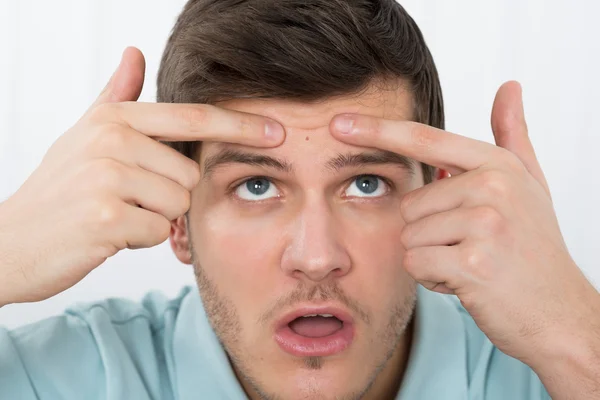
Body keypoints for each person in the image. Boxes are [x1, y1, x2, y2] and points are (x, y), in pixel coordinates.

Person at [0, 0, 598, 399]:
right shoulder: (50, 378)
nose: (316, 257)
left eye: (367, 184)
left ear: (439, 198)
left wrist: (575, 333)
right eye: (256, 186)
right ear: (178, 221)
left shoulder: (549, 371)